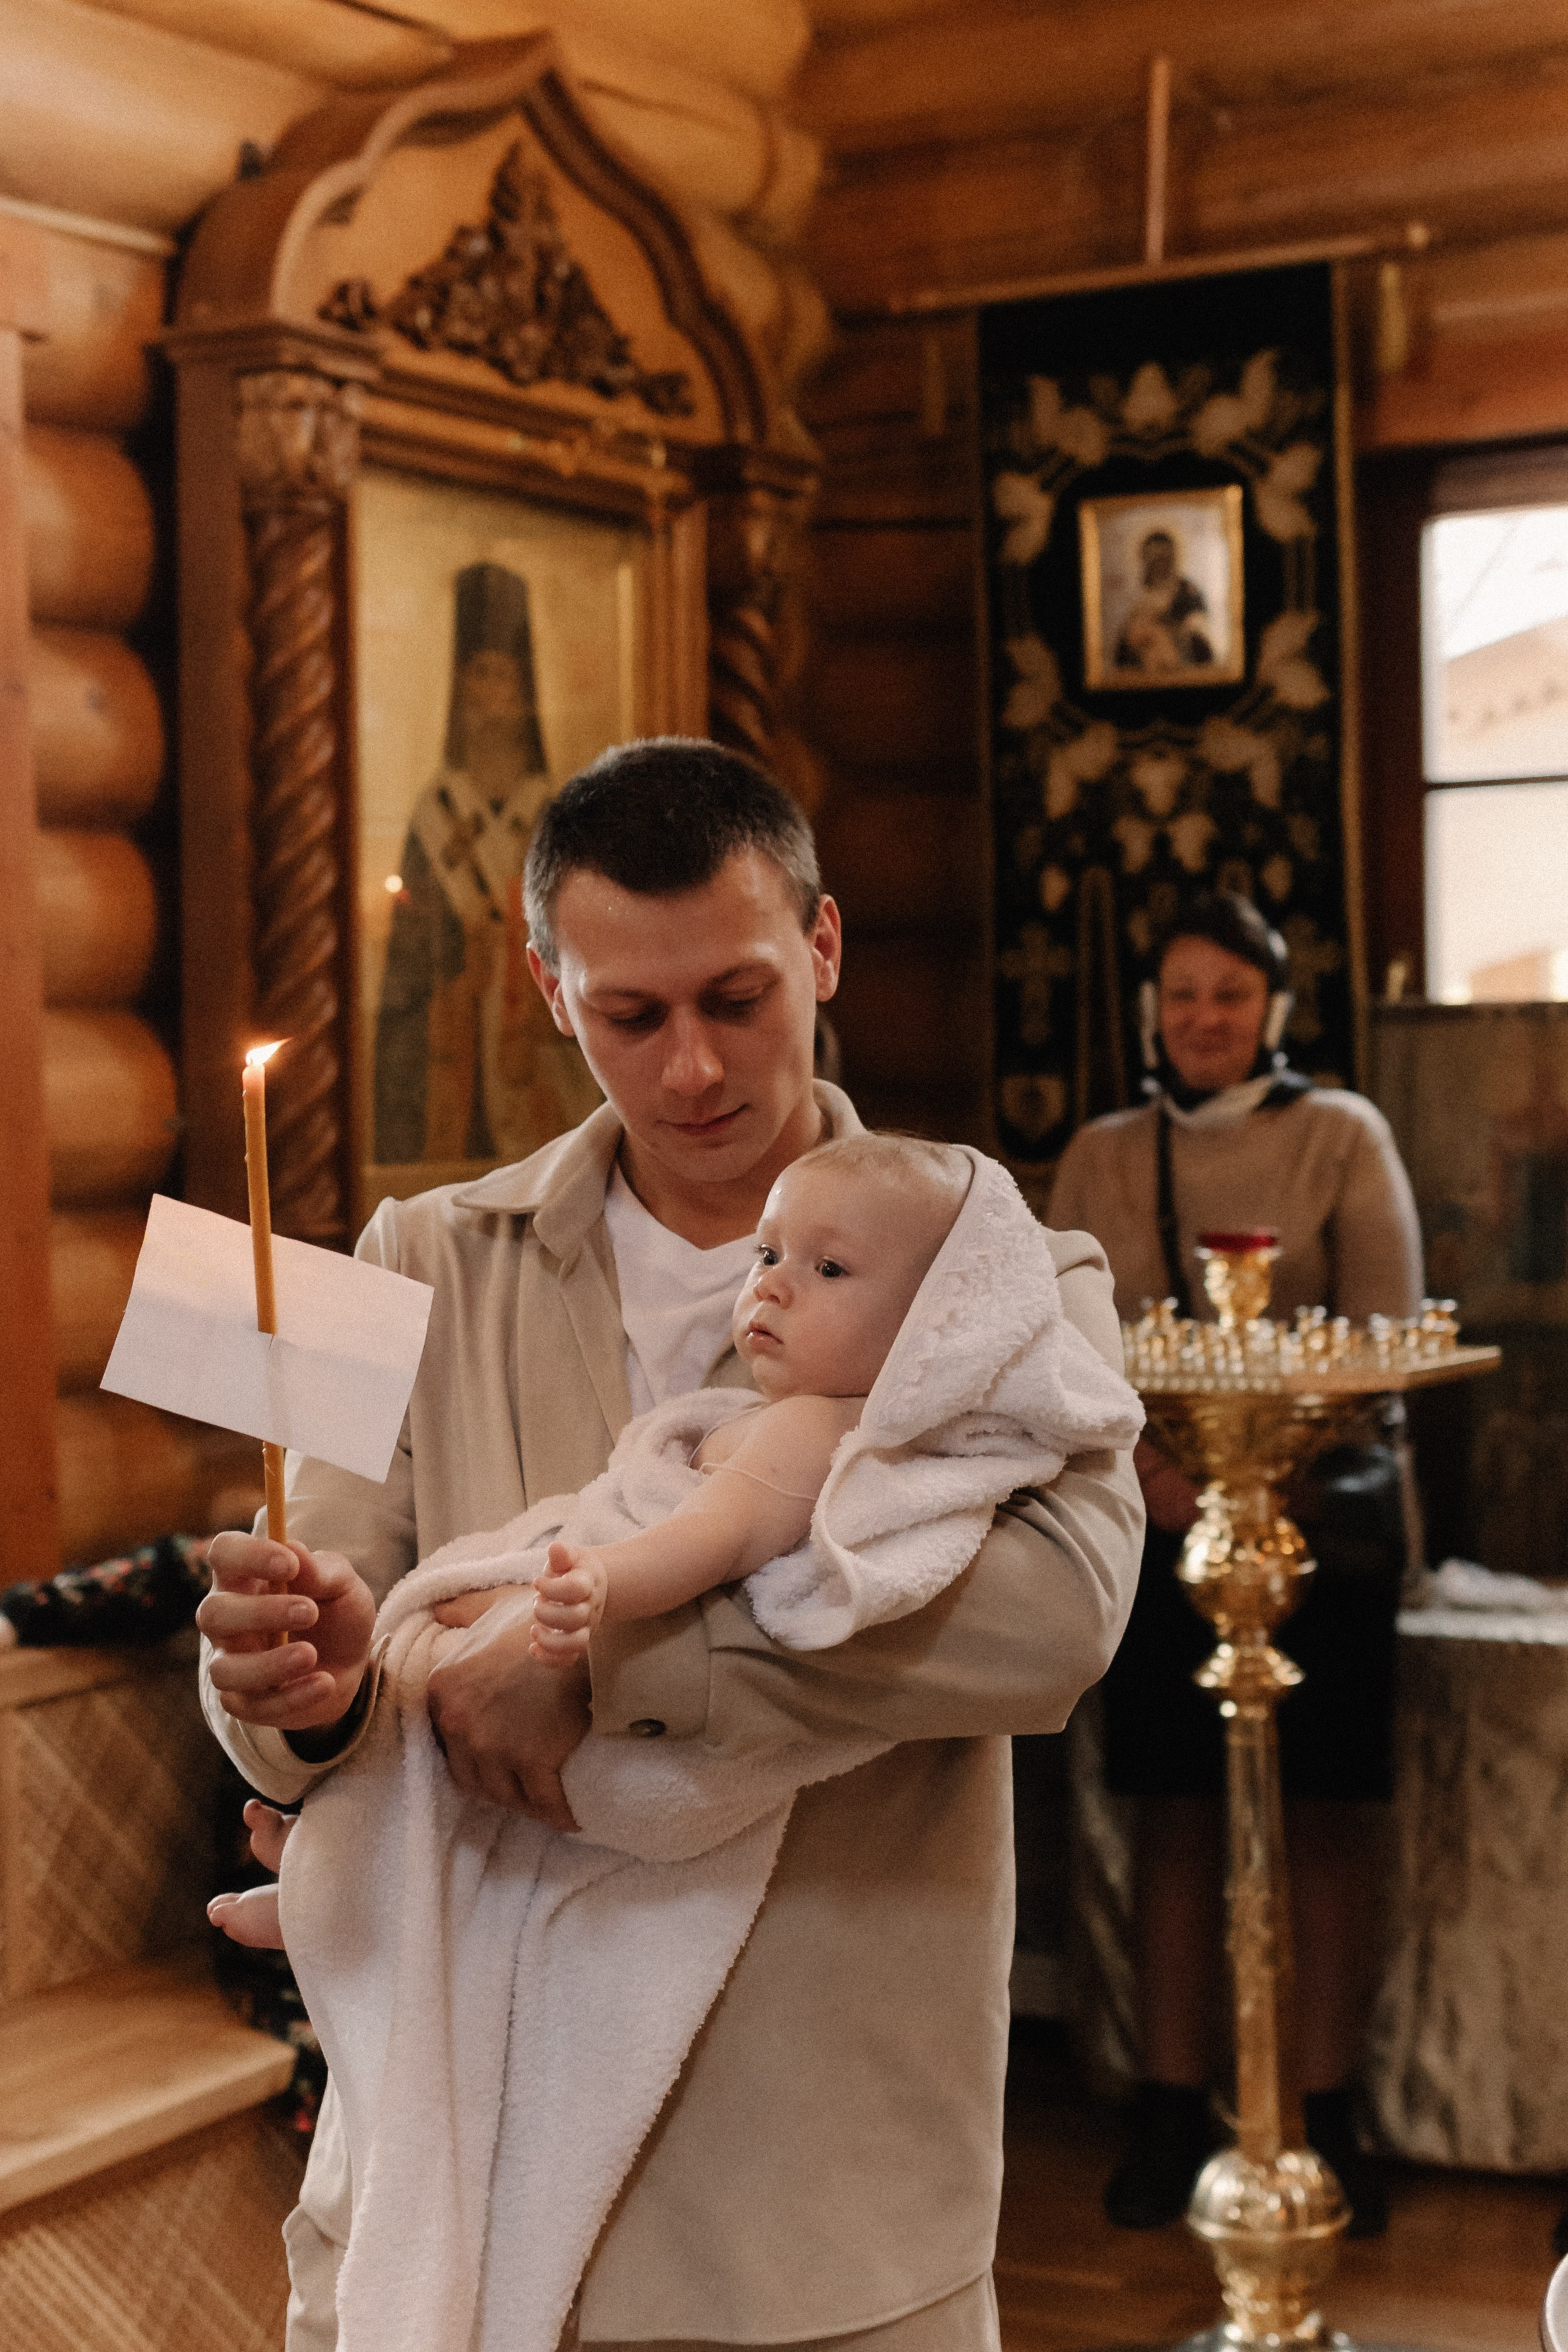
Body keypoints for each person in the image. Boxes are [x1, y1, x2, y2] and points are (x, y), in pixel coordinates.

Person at [199, 737, 1145, 2352]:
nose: (694, 1069)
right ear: (547, 986)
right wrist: (294, 1685)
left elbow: (1058, 1619)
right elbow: (300, 1702)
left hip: (813, 2207)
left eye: (738, 997)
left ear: (825, 948)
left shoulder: (1008, 1266)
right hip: (457, 2163)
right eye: (631, 1016)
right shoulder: (403, 1251)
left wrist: (620, 1667)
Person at [1049, 888, 1423, 2239]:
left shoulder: (1340, 1136)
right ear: (1152, 1010)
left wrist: (1272, 1490)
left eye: (1232, 993)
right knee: (1173, 1814)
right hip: (1155, 1528)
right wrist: (1163, 1489)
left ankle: (1322, 2115)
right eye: (1183, 993)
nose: (1206, 1018)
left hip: (1320, 1528)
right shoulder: (1102, 1153)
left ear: (1274, 1004)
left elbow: (1387, 1345)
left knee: (1319, 1817)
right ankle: (1169, 2105)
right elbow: (1071, 1358)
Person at [374, 561, 601, 1167]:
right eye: (480, 675)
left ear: (526, 690)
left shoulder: (551, 810)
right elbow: (407, 954)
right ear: (460, 684)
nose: (492, 694)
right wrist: (458, 965)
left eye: (506, 677)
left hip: (539, 1051)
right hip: (459, 1052)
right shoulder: (436, 812)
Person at [1113, 529, 1213, 673]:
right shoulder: (1140, 596)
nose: (1159, 566)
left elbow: (1197, 627)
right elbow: (1128, 641)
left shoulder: (1188, 592)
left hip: (1182, 656)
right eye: (1154, 560)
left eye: (1164, 559)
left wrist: (1169, 625)